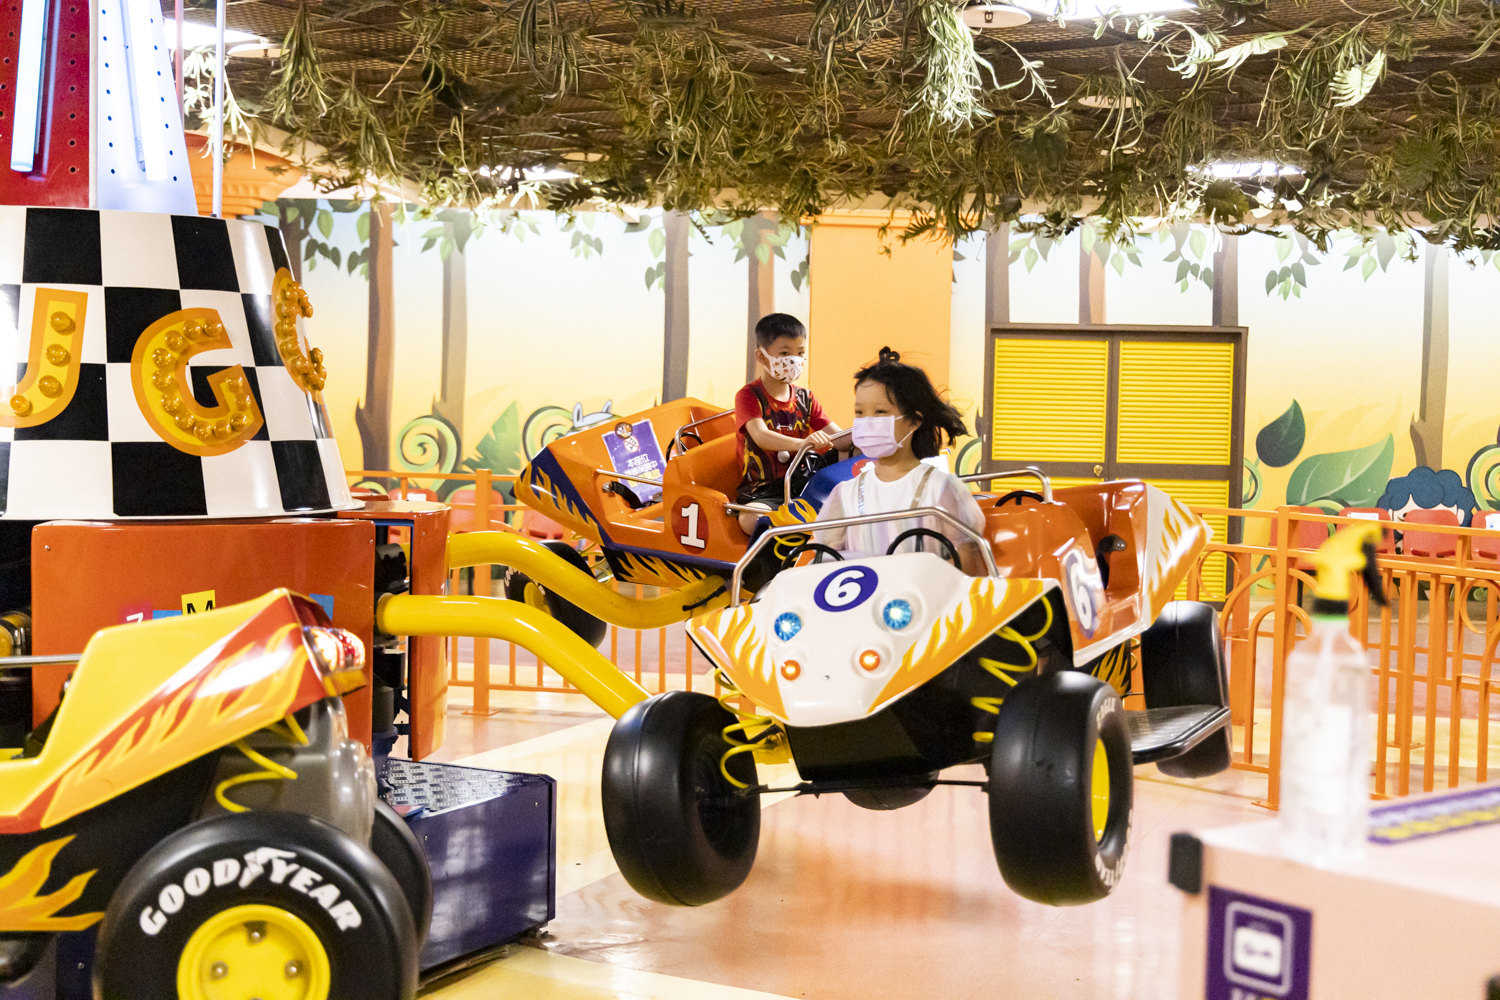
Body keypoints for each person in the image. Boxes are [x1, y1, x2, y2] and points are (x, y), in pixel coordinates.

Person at [815, 347, 988, 576]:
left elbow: (969, 568)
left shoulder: (942, 489)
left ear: (913, 421)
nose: (867, 421)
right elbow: (820, 563)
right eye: (859, 412)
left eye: (880, 412)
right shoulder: (844, 494)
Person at [735, 313, 841, 533]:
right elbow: (761, 436)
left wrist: (867, 434)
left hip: (804, 481)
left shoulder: (805, 398)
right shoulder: (749, 396)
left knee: (851, 450)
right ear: (762, 356)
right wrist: (802, 444)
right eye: (785, 353)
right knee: (750, 520)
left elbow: (838, 437)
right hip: (765, 491)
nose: (794, 360)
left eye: (800, 353)